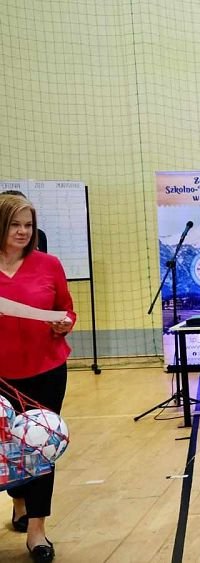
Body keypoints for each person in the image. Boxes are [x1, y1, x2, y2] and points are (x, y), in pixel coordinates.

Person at [0, 194, 74, 562]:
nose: (23, 231)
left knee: (40, 448)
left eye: (28, 225)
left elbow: (67, 309)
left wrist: (64, 324)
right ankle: (18, 502)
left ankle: (37, 530)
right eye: (15, 225)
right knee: (7, 448)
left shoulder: (49, 264)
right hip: (2, 377)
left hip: (46, 370)